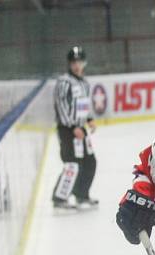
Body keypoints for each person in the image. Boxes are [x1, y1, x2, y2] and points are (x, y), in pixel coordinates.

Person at [52, 45, 98, 210]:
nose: (76, 65)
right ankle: (59, 197)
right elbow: (62, 106)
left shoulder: (84, 83)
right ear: (69, 64)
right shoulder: (64, 82)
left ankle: (81, 195)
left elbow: (84, 105)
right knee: (72, 163)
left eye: (79, 62)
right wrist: (72, 128)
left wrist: (90, 119)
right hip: (68, 130)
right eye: (73, 62)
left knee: (90, 162)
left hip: (80, 128)